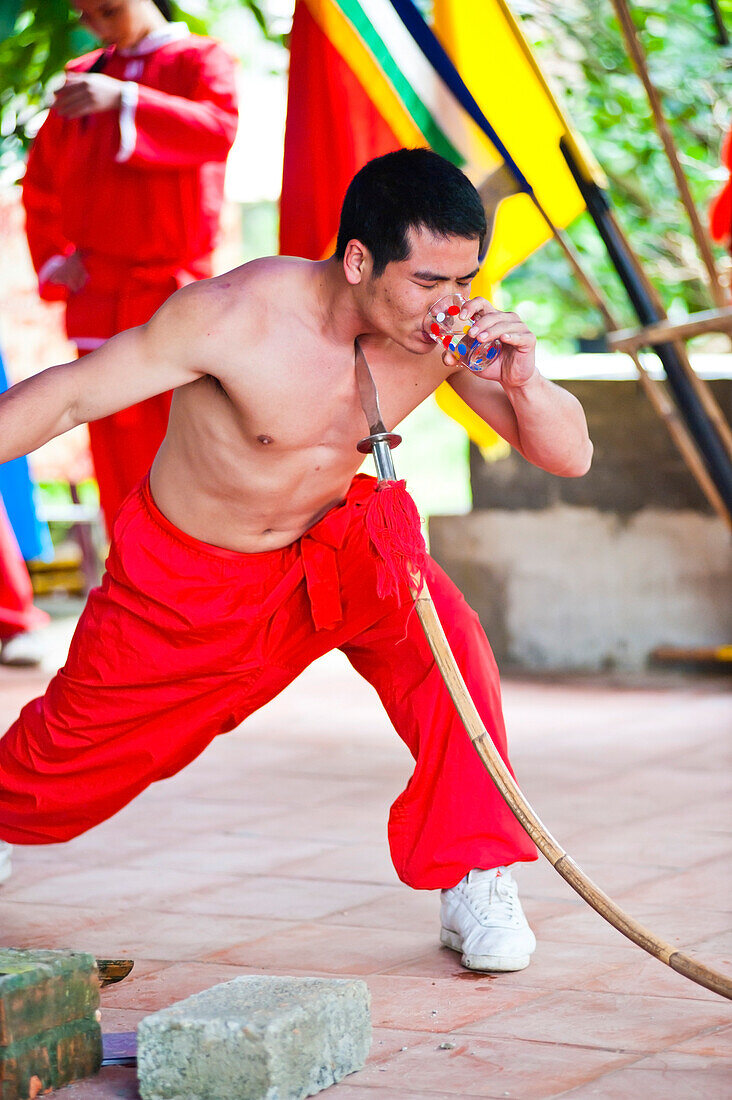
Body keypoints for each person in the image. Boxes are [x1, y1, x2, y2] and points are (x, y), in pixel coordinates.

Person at [0, 149, 592, 972]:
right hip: (190, 579)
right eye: (428, 281)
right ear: (358, 260)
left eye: (465, 280)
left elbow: (569, 457)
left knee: (446, 641)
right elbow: (69, 394)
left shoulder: (442, 337)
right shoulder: (231, 316)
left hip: (331, 546)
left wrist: (525, 383)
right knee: (68, 763)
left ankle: (476, 870)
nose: (450, 305)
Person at [22, 0, 238, 533]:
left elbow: (217, 130)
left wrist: (125, 99)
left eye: (107, 10)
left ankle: (199, 593)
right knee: (112, 458)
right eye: (86, 15)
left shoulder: (202, 59)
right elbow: (42, 182)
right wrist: (55, 260)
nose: (95, 24)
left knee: (188, 452)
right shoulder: (86, 74)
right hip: (99, 296)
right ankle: (132, 591)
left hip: (175, 295)